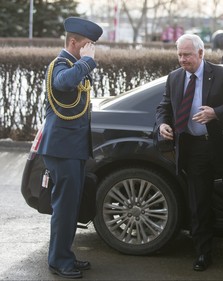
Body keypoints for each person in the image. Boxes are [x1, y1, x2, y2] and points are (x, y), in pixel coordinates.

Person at [155, 34, 223, 271]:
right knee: (198, 202)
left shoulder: (222, 74)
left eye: (187, 55)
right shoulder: (174, 78)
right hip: (193, 147)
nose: (182, 59)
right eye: (179, 54)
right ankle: (203, 253)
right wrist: (163, 124)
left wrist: (215, 112)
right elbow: (164, 106)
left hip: (220, 146)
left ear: (201, 53)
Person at [37, 17, 103, 279]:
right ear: (73, 42)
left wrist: (84, 62)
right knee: (64, 208)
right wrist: (87, 61)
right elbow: (63, 83)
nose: (91, 50)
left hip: (72, 148)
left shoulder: (75, 65)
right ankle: (59, 261)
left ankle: (64, 255)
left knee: (70, 207)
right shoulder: (60, 65)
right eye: (87, 45)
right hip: (61, 149)